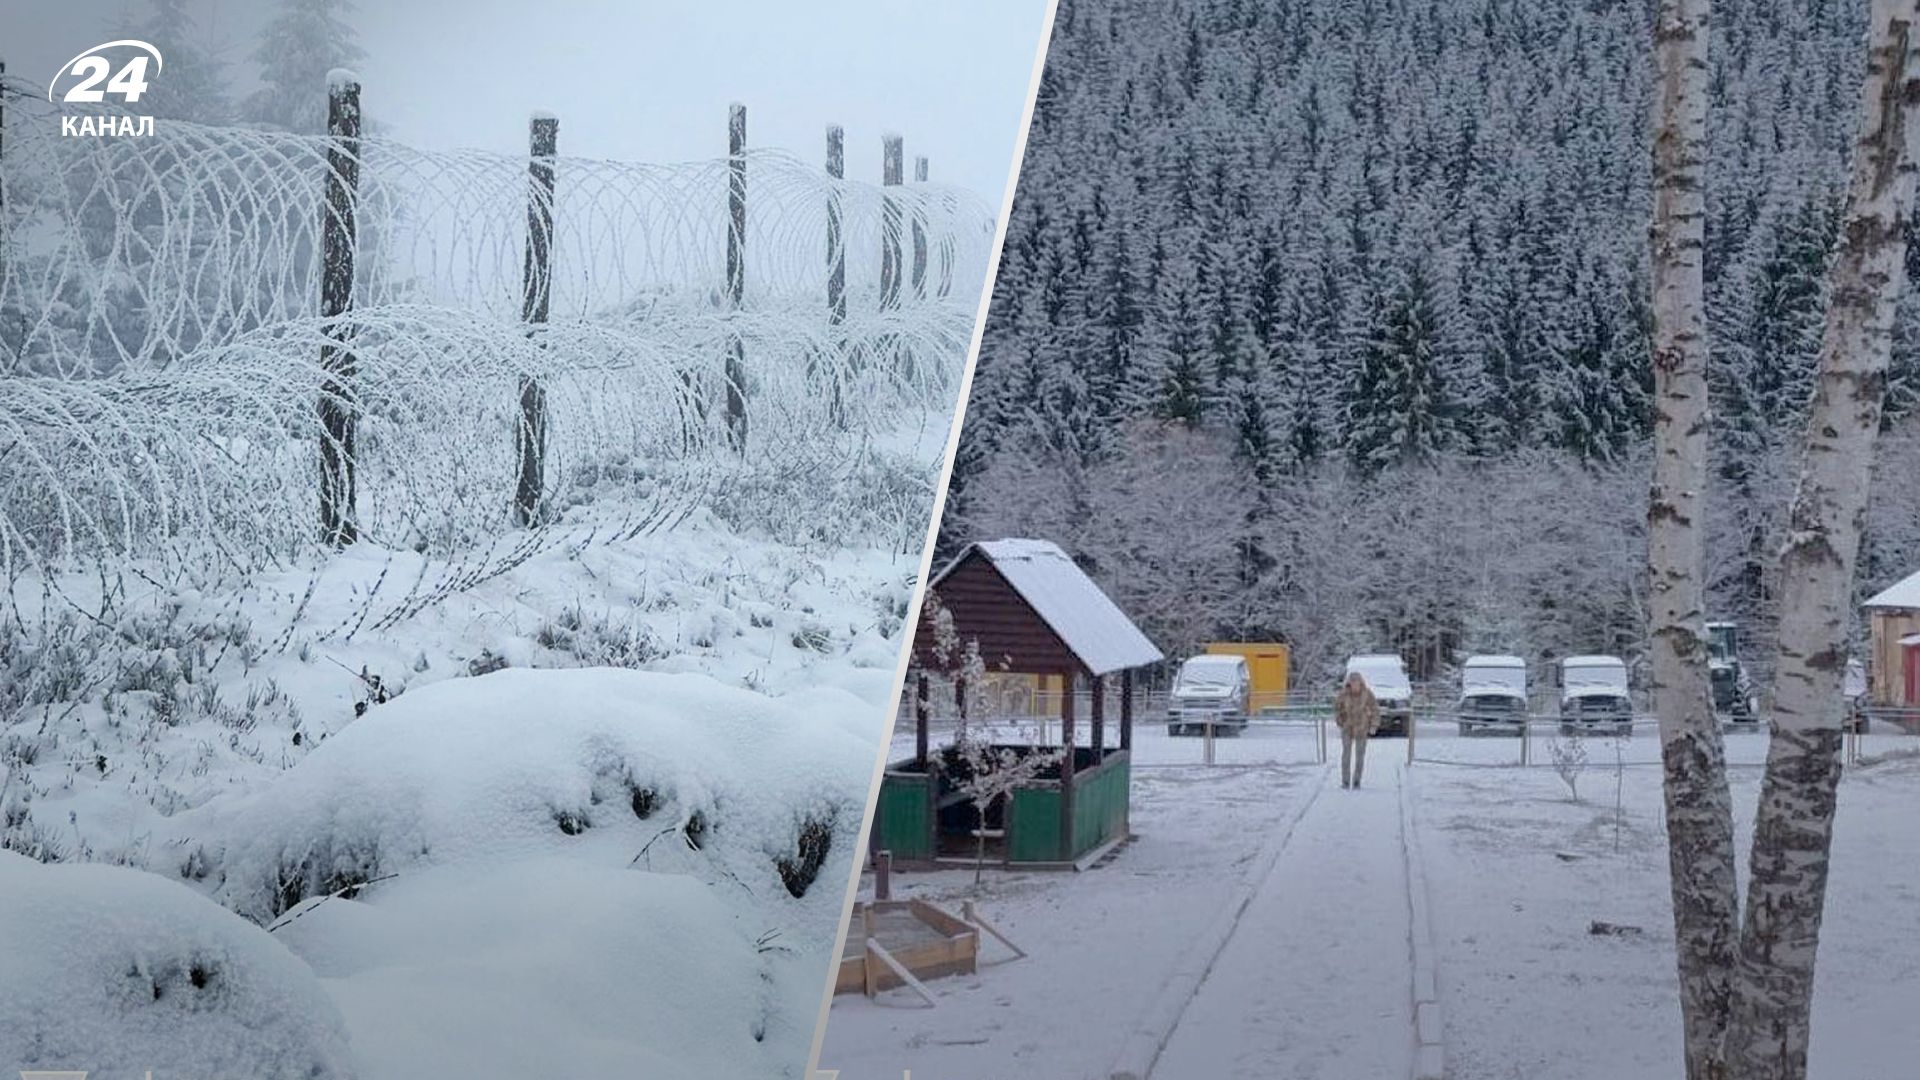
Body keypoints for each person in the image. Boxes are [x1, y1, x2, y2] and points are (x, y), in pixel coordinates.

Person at [1333, 671, 1380, 789]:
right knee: (1346, 755)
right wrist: (1339, 720)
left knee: (1360, 756)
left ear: (1360, 682)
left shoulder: (1367, 694)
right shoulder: (1343, 694)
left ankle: (1357, 781)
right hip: (1347, 727)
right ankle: (1345, 781)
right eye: (1352, 682)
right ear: (1349, 683)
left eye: (1356, 682)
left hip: (1362, 728)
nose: (1354, 684)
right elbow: (1336, 708)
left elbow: (1375, 709)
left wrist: (1374, 725)